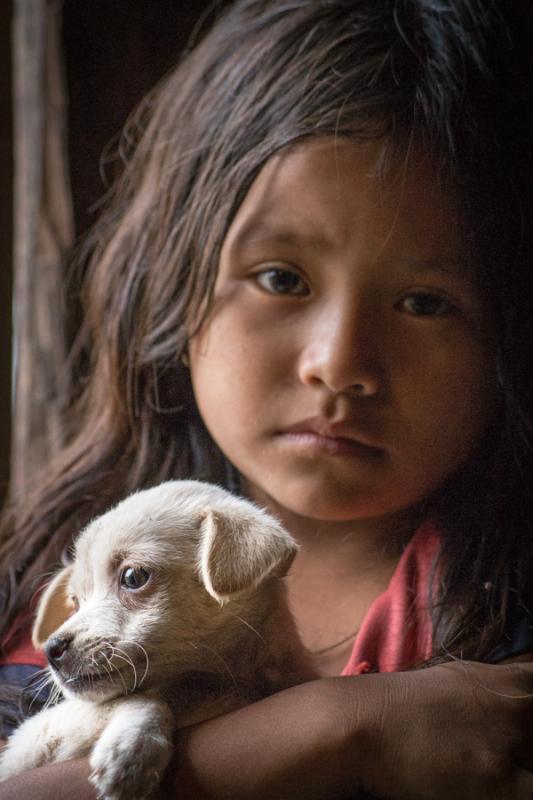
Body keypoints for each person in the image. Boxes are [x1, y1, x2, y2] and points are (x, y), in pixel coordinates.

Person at [1, 0, 533, 797]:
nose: (339, 364)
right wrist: (334, 731)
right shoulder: (34, 601)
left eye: (424, 301)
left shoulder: (504, 635)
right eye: (281, 279)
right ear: (174, 283)